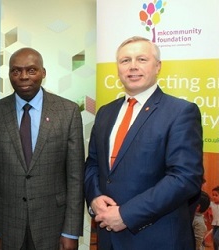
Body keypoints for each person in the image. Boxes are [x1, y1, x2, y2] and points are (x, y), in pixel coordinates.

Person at [84, 36, 203, 249]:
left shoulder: (180, 112)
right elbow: (93, 163)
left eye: (141, 59)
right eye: (125, 60)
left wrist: (126, 214)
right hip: (109, 238)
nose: (133, 67)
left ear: (158, 66)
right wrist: (94, 198)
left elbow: (184, 178)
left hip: (156, 238)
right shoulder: (105, 112)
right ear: (118, 68)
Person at [0, 47, 85, 250]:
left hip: (53, 226)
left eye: (31, 70)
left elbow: (75, 178)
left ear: (43, 73)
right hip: (7, 227)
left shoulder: (68, 112)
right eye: (16, 71)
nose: (23, 77)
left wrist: (71, 231)